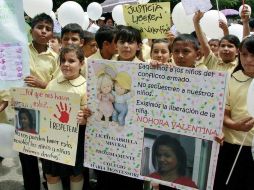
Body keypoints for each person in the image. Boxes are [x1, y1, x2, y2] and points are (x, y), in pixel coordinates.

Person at [20, 13, 58, 190]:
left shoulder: (56, 58)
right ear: (32, 29)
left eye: (48, 29)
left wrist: (42, 84)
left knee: (48, 157)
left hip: (47, 112)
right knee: (27, 158)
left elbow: (60, 87)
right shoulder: (20, 50)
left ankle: (48, 184)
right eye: (39, 27)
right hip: (24, 111)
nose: (43, 32)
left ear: (52, 33)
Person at [42, 45, 87, 190]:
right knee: (51, 174)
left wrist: (84, 118)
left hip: (76, 139)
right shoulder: (52, 84)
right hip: (52, 137)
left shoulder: (86, 87)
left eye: (71, 61)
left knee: (75, 173)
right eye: (63, 60)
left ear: (81, 63)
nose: (66, 64)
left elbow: (90, 114)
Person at [213, 35, 254, 190]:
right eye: (244, 54)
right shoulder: (231, 79)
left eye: (253, 54)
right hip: (232, 146)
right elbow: (223, 113)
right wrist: (236, 125)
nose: (248, 59)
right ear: (239, 54)